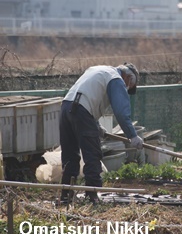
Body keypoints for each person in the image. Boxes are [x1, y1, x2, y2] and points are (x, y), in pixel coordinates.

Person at [59, 62, 143, 204]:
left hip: (66, 107)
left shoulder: (98, 69)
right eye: (129, 86)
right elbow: (121, 113)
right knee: (92, 154)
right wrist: (132, 136)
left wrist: (96, 126)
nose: (126, 89)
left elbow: (86, 95)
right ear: (128, 77)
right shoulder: (116, 79)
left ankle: (65, 196)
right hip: (82, 112)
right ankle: (92, 197)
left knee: (70, 155)